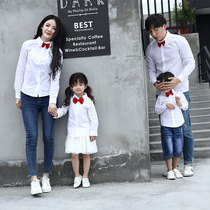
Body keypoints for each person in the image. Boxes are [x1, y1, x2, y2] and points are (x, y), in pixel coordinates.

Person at [14, 15, 64, 195]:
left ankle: (46, 177)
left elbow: (55, 80)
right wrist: (17, 94)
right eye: (47, 25)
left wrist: (52, 102)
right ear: (42, 26)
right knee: (32, 137)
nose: (49, 29)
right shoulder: (28, 45)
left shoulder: (57, 52)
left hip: (47, 99)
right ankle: (33, 179)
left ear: (56, 32)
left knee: (49, 137)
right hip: (28, 97)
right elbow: (20, 70)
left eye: (53, 28)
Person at [145, 14, 195, 177]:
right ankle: (172, 168)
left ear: (164, 26)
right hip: (162, 94)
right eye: (150, 31)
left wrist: (178, 80)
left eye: (156, 29)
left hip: (180, 91)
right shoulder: (150, 49)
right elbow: (151, 71)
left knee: (185, 129)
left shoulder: (179, 41)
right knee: (166, 130)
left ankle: (188, 163)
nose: (153, 33)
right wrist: (154, 82)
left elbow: (190, 62)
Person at [52, 72, 99, 188]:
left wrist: (93, 132)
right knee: (74, 155)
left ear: (85, 86)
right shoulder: (69, 100)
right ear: (71, 87)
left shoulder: (88, 101)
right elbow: (62, 110)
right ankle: (77, 176)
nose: (78, 87)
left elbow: (94, 119)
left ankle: (85, 177)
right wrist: (55, 112)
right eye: (75, 84)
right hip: (73, 133)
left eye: (81, 84)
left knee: (86, 155)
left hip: (86, 133)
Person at [155, 72, 188, 180]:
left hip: (178, 125)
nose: (164, 87)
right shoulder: (160, 98)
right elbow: (157, 110)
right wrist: (165, 105)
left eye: (166, 85)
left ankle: (175, 169)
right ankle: (169, 170)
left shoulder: (179, 94)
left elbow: (185, 107)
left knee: (178, 147)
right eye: (162, 85)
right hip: (166, 126)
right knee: (168, 148)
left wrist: (179, 103)